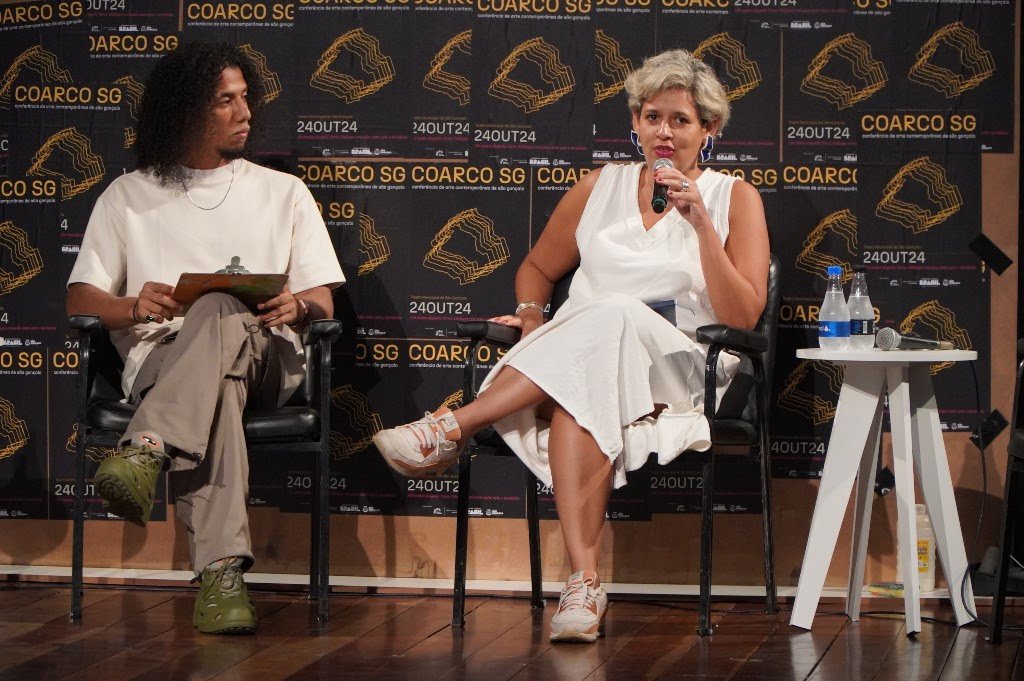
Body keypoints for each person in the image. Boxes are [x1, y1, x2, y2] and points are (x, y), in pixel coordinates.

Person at [373, 49, 769, 643]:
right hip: (586, 361)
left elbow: (744, 315)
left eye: (681, 120)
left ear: (708, 130)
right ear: (634, 121)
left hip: (684, 362)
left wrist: (701, 227)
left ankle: (454, 426)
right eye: (652, 116)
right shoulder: (597, 188)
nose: (664, 131)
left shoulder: (733, 198)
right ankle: (583, 583)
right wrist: (533, 318)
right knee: (580, 388)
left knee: (607, 314)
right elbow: (536, 268)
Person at [66, 42, 345, 635]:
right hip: (160, 361)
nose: (245, 112)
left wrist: (298, 304)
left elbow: (324, 299)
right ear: (188, 110)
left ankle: (147, 446)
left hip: (270, 356)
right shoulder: (128, 196)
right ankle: (221, 577)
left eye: (246, 98)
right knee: (218, 389)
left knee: (220, 306)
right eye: (227, 101)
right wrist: (130, 303)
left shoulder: (283, 192)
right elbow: (80, 300)